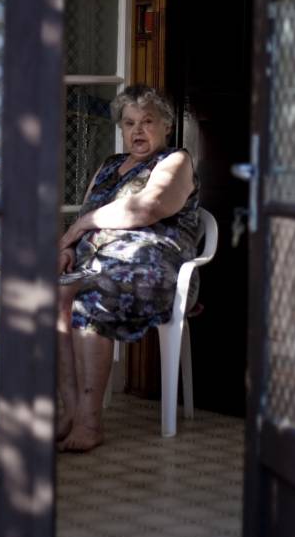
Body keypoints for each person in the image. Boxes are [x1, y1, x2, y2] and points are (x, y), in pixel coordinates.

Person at [57, 84, 200, 452]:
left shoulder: (175, 161)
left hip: (154, 265)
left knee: (90, 297)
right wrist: (68, 247)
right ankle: (70, 411)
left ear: (166, 126)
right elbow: (88, 214)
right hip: (100, 261)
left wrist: (79, 228)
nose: (137, 130)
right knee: (51, 293)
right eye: (129, 122)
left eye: (147, 122)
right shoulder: (108, 166)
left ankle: (90, 422)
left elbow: (148, 208)